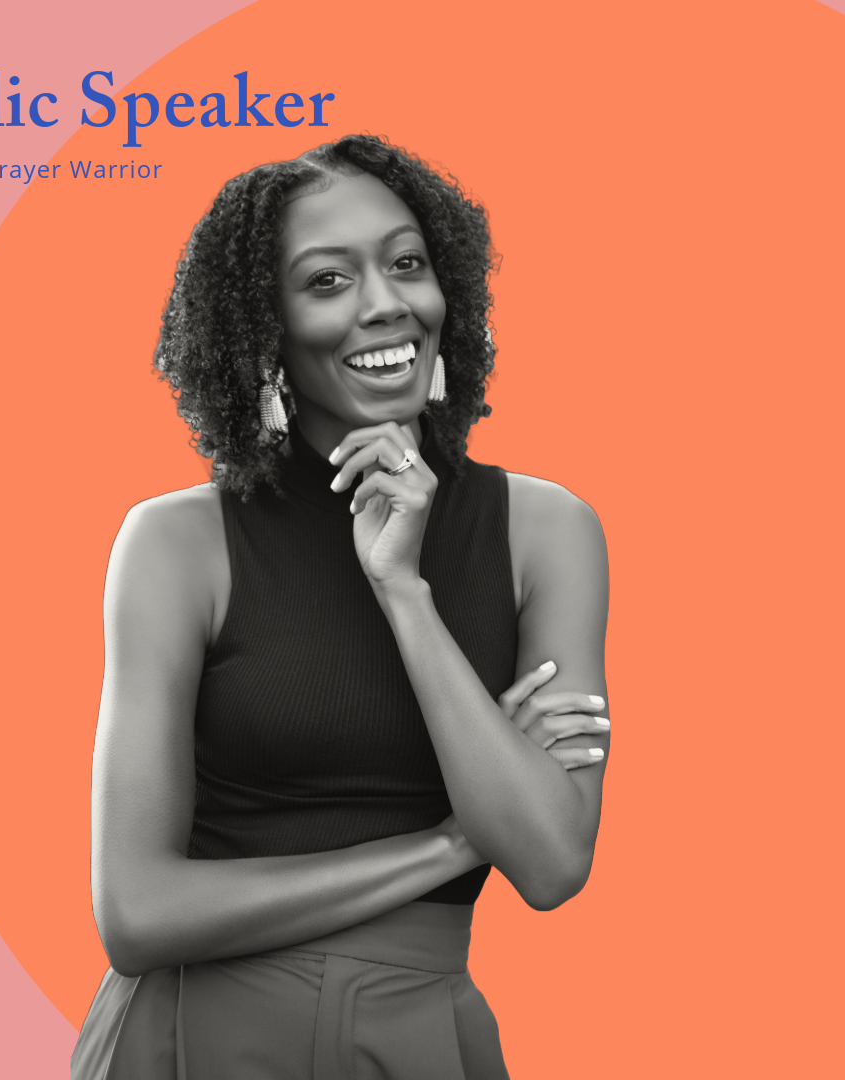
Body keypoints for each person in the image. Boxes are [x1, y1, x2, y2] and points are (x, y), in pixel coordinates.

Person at [72, 134, 610, 1080]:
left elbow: (553, 863)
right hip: (197, 1037)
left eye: (407, 264)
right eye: (327, 281)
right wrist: (453, 838)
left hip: (418, 1039)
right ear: (263, 328)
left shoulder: (545, 532)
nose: (384, 304)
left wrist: (404, 591)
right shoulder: (175, 545)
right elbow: (137, 913)